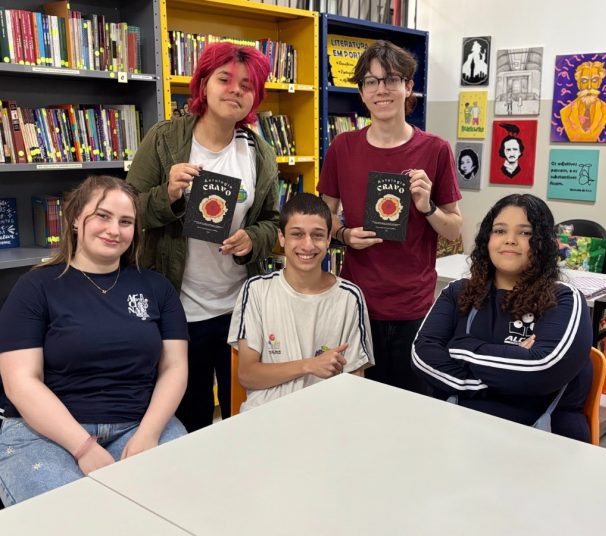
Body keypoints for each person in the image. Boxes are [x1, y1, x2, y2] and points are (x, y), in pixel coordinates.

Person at [0, 176, 188, 506]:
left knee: (179, 499)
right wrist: (83, 447)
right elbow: (21, 382)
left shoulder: (157, 288)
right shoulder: (35, 287)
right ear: (76, 218)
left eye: (125, 222)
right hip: (45, 433)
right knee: (76, 513)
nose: (114, 230)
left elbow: (174, 367)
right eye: (102, 216)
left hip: (139, 423)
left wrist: (148, 434)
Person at [126, 42, 279, 432]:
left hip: (238, 311)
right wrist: (168, 195)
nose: (235, 90)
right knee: (187, 418)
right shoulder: (165, 139)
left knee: (242, 415)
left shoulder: (259, 153)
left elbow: (272, 221)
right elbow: (128, 210)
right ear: (203, 84)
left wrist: (253, 239)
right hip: (178, 310)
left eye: (247, 85)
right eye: (225, 79)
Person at [318, 40, 462, 394]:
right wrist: (344, 235)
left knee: (411, 407)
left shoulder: (435, 149)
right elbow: (324, 216)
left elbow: (454, 229)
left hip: (413, 306)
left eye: (391, 80)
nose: (381, 90)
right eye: (371, 82)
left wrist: (427, 206)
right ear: (362, 93)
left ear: (408, 87)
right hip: (356, 303)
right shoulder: (342, 148)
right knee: (358, 403)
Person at [412, 194, 593, 442]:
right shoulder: (459, 292)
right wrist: (489, 378)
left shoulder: (564, 299)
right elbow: (422, 354)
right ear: (487, 239)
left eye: (525, 233)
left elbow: (542, 369)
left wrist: (460, 346)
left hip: (542, 443)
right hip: (459, 433)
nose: (510, 240)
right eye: (499, 230)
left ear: (543, 243)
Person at [228, 193, 374, 412]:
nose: (308, 245)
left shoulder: (350, 297)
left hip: (325, 414)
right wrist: (309, 365)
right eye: (297, 234)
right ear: (281, 237)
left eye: (317, 235)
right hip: (266, 414)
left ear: (328, 239)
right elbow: (247, 375)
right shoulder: (256, 290)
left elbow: (355, 381)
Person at [559, 60, 606, 142]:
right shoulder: (565, 112)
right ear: (579, 84)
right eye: (584, 81)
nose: (589, 86)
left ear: (599, 83)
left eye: (594, 80)